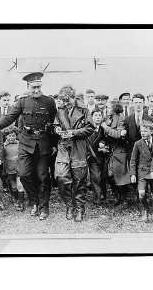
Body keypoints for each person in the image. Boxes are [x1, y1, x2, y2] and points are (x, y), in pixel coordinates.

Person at [0, 72, 57, 220]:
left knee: (43, 176)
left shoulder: (49, 101)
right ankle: (34, 201)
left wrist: (54, 144)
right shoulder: (22, 102)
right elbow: (9, 117)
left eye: (38, 87)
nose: (36, 90)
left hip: (43, 143)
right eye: (33, 87)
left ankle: (44, 207)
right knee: (24, 175)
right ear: (28, 86)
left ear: (41, 86)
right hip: (26, 143)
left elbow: (53, 123)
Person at [54, 85, 94, 222]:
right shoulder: (60, 110)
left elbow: (90, 128)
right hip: (64, 147)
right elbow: (56, 124)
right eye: (62, 101)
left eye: (67, 100)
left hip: (78, 146)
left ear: (73, 97)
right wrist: (58, 129)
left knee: (79, 179)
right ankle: (69, 205)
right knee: (61, 176)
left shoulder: (83, 109)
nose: (65, 104)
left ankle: (79, 208)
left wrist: (74, 133)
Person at [130, 120, 153, 222]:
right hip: (142, 172)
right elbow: (133, 160)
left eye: (145, 131)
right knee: (142, 193)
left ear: (151, 131)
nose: (143, 133)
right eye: (141, 131)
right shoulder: (138, 144)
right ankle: (146, 209)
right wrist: (133, 174)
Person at [102, 102, 130, 206]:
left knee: (120, 176)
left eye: (110, 107)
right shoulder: (108, 118)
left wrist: (105, 127)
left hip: (119, 151)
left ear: (115, 109)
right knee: (110, 176)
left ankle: (124, 199)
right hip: (110, 151)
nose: (108, 109)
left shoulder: (120, 118)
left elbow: (118, 135)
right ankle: (117, 197)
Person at [87, 108, 109, 205]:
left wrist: (103, 143)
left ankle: (103, 195)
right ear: (92, 117)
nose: (97, 117)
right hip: (91, 156)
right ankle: (97, 198)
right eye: (95, 115)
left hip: (103, 156)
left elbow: (108, 140)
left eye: (99, 115)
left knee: (103, 176)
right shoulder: (88, 128)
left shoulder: (104, 129)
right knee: (95, 177)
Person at [2, 126, 26, 211]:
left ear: (16, 135)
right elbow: (1, 157)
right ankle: (14, 198)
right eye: (9, 136)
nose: (11, 138)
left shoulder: (19, 144)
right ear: (6, 137)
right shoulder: (4, 146)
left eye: (13, 136)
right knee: (13, 186)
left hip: (19, 167)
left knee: (20, 185)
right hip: (9, 168)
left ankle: (21, 202)